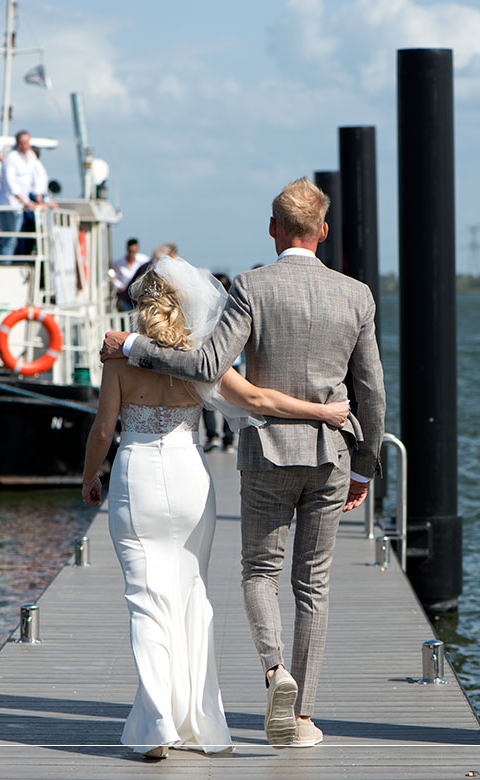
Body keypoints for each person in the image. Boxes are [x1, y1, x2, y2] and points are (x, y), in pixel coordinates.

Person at [100, 177, 386, 749]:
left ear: (274, 228)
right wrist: (365, 464)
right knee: (315, 583)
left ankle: (274, 671)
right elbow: (372, 390)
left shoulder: (251, 287)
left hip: (267, 453)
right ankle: (301, 716)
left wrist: (132, 348)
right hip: (332, 455)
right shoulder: (357, 295)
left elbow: (207, 365)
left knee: (261, 571)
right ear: (323, 232)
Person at [82, 259, 349, 760]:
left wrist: (89, 476)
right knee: (190, 597)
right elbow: (260, 399)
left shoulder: (118, 361)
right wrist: (322, 412)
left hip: (136, 478)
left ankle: (157, 722)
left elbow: (102, 433)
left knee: (146, 600)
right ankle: (198, 721)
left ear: (141, 305)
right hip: (189, 483)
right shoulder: (201, 360)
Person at [0, 130, 55, 256]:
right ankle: (4, 266)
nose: (24, 146)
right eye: (22, 143)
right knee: (10, 239)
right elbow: (11, 184)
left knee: (16, 239)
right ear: (17, 143)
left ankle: (13, 262)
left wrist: (41, 198)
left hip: (21, 206)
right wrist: (25, 202)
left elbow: (39, 177)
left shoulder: (31, 157)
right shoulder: (11, 158)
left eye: (26, 143)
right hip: (9, 205)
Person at [202, 273, 235, 452]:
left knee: (208, 397)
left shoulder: (207, 307)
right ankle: (228, 440)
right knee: (230, 400)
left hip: (211, 358)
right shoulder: (235, 305)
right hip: (232, 361)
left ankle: (212, 434)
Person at [112, 238, 149, 311]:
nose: (132, 253)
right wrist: (119, 286)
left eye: (134, 251)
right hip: (125, 295)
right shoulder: (118, 263)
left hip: (140, 295)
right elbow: (114, 277)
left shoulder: (144, 260)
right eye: (130, 251)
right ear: (127, 249)